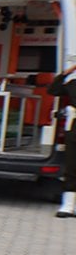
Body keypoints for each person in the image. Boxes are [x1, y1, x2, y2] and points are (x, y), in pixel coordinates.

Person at [47, 62, 76, 217]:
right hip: (74, 129)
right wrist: (66, 73)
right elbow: (53, 90)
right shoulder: (73, 84)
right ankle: (68, 205)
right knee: (71, 167)